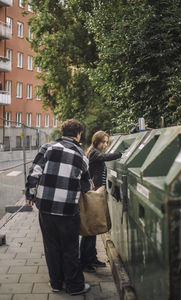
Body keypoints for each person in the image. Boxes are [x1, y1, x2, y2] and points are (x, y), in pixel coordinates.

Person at [25, 119, 91, 295]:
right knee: (70, 248)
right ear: (78, 134)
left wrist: (30, 194)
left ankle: (56, 283)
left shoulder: (48, 147)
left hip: (45, 206)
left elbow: (34, 172)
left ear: (63, 132)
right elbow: (86, 185)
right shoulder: (82, 155)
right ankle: (74, 286)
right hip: (68, 209)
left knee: (51, 246)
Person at [80, 130, 122, 273]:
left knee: (94, 229)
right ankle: (85, 262)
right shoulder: (94, 153)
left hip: (97, 192)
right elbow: (106, 157)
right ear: (96, 141)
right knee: (91, 229)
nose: (105, 144)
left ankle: (92, 258)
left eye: (107, 142)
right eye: (103, 141)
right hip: (95, 193)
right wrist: (122, 154)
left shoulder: (93, 151)